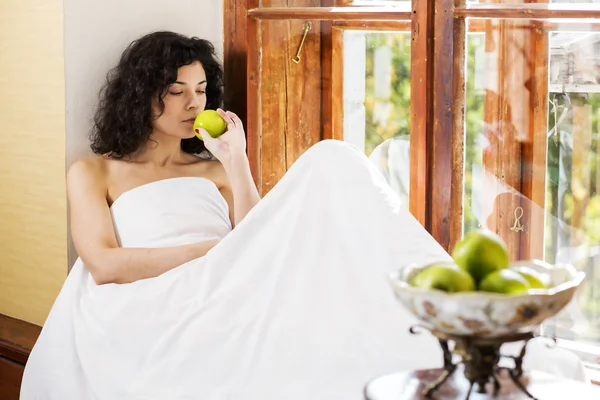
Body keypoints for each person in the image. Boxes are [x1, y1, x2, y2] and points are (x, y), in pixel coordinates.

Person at [21, 31, 588, 400]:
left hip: (238, 273)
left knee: (334, 160)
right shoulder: (96, 171)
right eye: (175, 91)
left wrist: (237, 163)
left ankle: (457, 317)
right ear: (142, 94)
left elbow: (256, 236)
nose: (194, 104)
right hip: (178, 284)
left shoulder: (213, 170)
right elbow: (104, 265)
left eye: (200, 89)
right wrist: (210, 254)